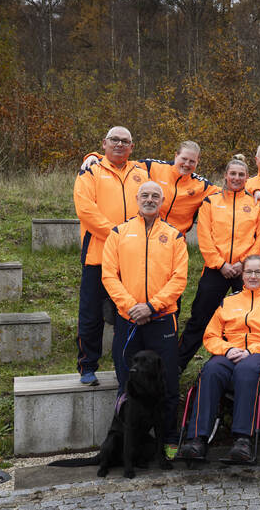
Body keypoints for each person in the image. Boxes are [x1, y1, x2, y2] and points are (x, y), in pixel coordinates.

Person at [177, 255, 260, 463]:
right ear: (242, 274)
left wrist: (252, 350)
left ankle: (243, 440)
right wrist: (228, 349)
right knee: (211, 370)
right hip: (231, 353)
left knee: (246, 369)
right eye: (249, 271)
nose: (253, 276)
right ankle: (196, 439)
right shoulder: (228, 302)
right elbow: (211, 336)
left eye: (258, 272)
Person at [101, 181, 188, 456]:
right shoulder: (118, 232)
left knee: (168, 382)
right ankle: (127, 442)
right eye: (145, 195)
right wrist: (131, 307)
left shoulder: (174, 236)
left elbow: (179, 279)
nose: (149, 200)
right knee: (127, 382)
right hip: (128, 320)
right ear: (136, 198)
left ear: (162, 201)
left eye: (155, 196)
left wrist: (151, 306)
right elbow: (109, 276)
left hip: (162, 319)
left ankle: (169, 439)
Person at [73, 126, 149, 385]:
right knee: (91, 313)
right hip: (98, 254)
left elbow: (179, 169)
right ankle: (87, 366)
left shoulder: (142, 171)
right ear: (104, 143)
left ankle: (127, 367)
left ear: (132, 146)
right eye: (114, 140)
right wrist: (117, 233)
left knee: (126, 313)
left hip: (130, 256)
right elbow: (85, 209)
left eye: (125, 141)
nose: (119, 145)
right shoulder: (90, 170)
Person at [176, 157, 260, 371]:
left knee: (248, 320)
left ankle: (244, 365)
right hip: (216, 269)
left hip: (246, 272)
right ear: (225, 176)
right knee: (200, 318)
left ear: (247, 178)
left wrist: (243, 264)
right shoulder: (211, 201)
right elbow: (204, 236)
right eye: (232, 174)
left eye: (241, 174)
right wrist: (220, 263)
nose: (236, 178)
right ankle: (176, 366)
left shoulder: (255, 202)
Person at [81, 140, 219, 235]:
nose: (187, 164)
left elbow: (229, 191)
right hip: (147, 237)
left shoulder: (202, 185)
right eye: (184, 159)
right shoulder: (154, 167)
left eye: (192, 161)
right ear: (176, 155)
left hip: (176, 241)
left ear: (197, 161)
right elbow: (124, 163)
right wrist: (95, 156)